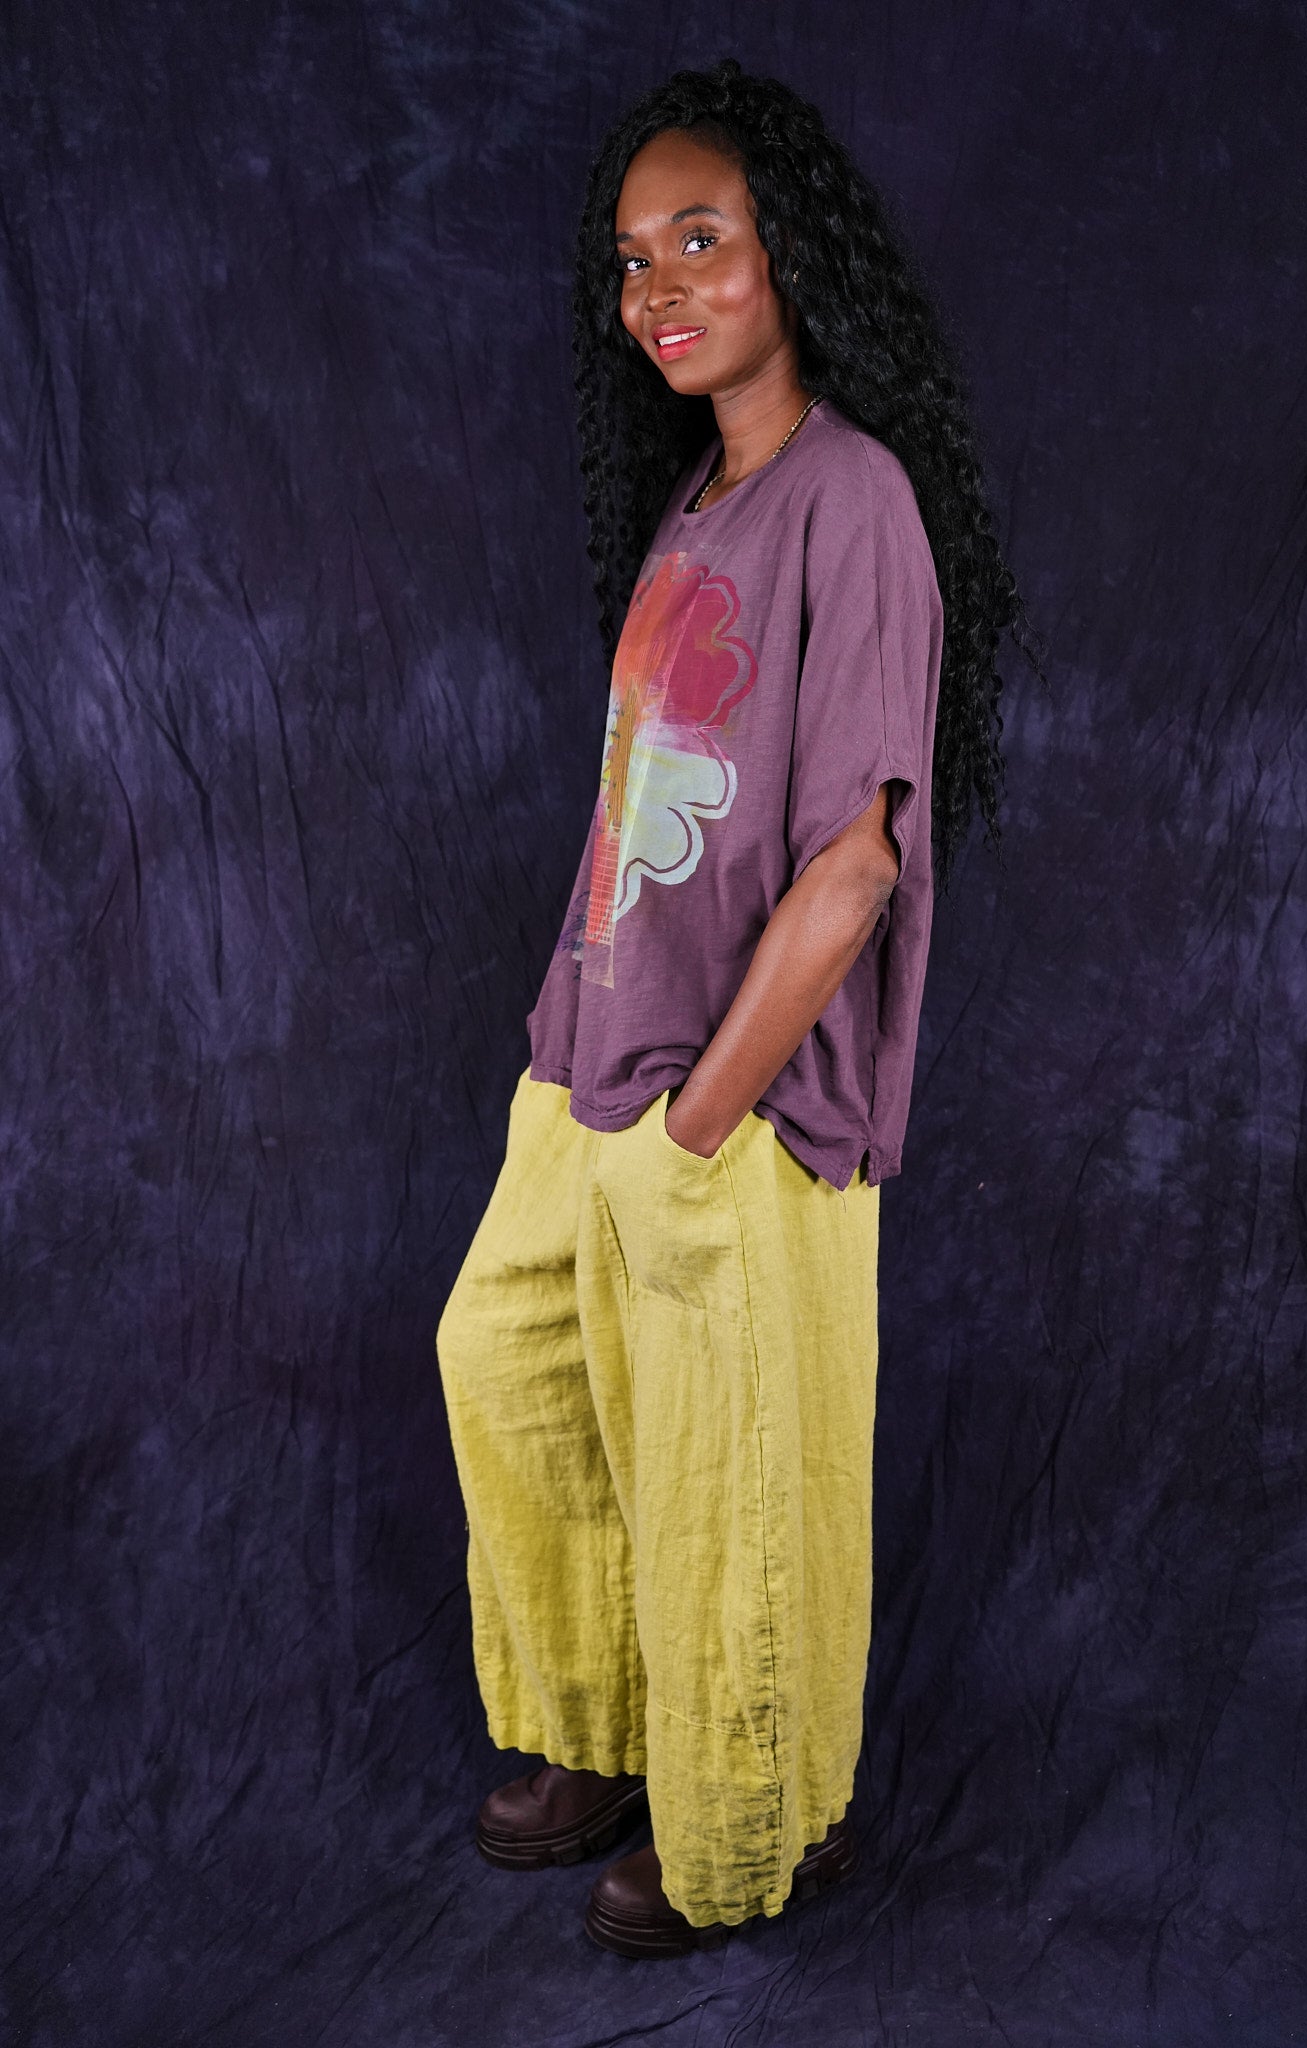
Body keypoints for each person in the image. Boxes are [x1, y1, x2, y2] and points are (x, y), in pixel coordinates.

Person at [435, 57, 1042, 1961]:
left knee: (728, 1473)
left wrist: (705, 1122)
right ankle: (619, 1732)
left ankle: (756, 1821)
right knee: (512, 1366)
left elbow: (854, 868)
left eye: (700, 239)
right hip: (592, 1065)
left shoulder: (852, 502)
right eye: (632, 258)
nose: (660, 288)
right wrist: (569, 1047)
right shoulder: (698, 502)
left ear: (793, 257)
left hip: (736, 1103)